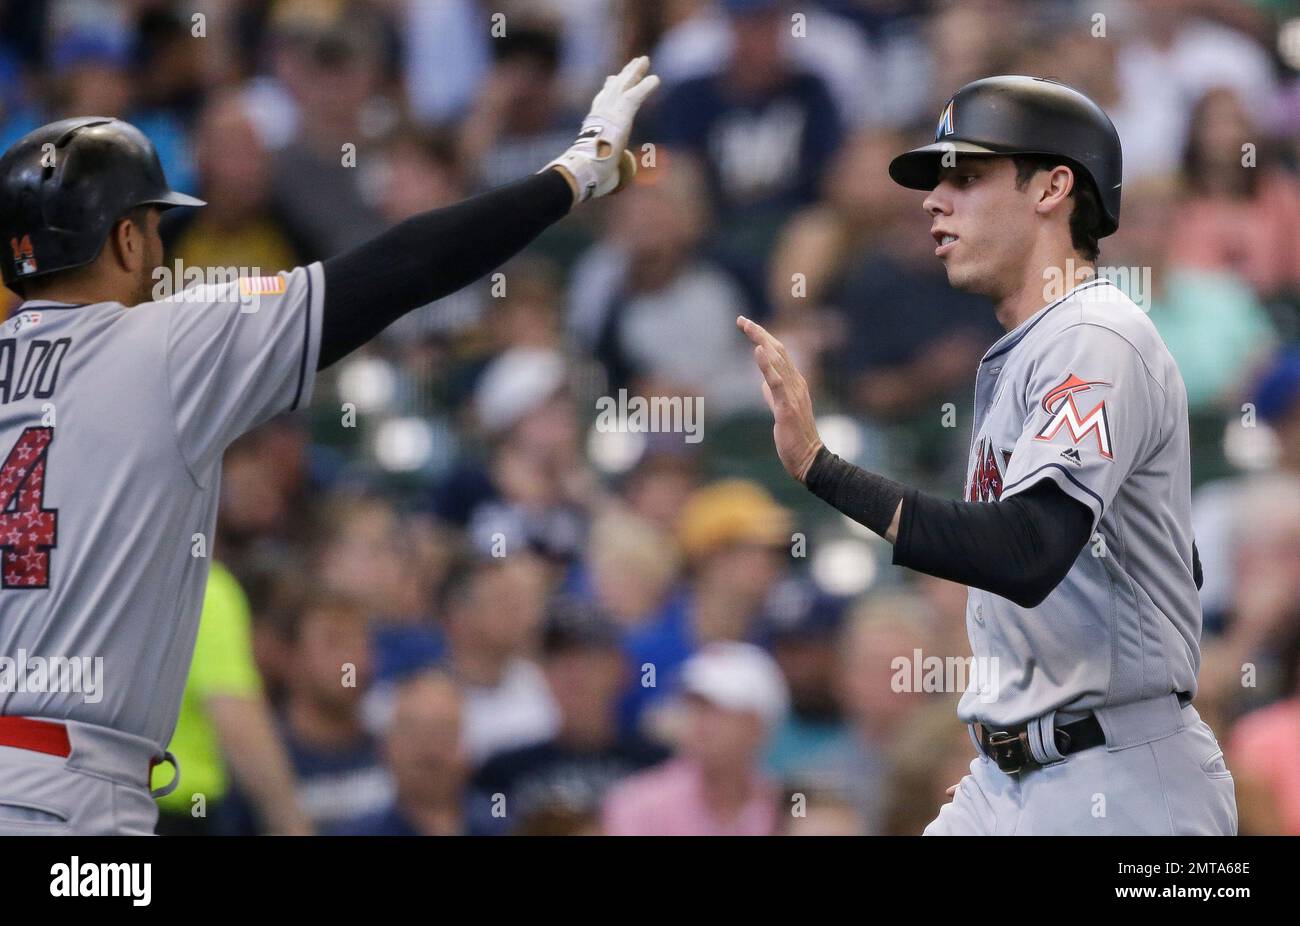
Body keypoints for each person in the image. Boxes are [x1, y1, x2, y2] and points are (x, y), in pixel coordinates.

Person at [0, 56, 659, 835]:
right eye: (149, 224)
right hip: (70, 799)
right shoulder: (166, 343)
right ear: (124, 239)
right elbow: (400, 268)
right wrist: (570, 176)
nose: (157, 241)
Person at [738, 75, 1236, 835]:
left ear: (1054, 186)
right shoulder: (1032, 347)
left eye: (966, 176)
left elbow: (1028, 550)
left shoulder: (1094, 334)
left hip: (1121, 784)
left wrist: (819, 465)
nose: (935, 200)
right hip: (1010, 778)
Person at [602, 642, 789, 836]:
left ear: (757, 724)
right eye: (695, 705)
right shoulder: (635, 803)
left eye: (719, 708)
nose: (701, 720)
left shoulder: (783, 806)